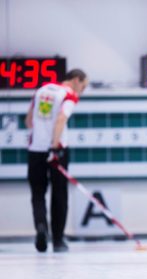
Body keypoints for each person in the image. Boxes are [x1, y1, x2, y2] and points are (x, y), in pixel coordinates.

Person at [25, 69, 88, 253]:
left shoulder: (41, 90)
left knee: (38, 193)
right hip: (57, 149)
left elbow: (29, 120)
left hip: (35, 149)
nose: (81, 92)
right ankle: (58, 240)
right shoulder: (69, 95)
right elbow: (61, 119)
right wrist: (54, 146)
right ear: (76, 80)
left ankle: (41, 227)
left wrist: (40, 137)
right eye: (83, 87)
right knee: (59, 194)